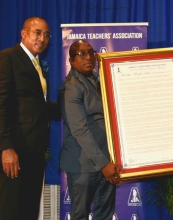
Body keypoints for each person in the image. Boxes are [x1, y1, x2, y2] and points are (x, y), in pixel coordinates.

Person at [0, 16, 53, 220]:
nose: (42, 38)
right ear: (24, 33)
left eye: (46, 35)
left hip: (35, 149)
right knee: (12, 209)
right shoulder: (8, 57)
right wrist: (5, 147)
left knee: (29, 209)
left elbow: (37, 106)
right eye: (37, 33)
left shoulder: (37, 64)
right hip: (15, 149)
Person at [58, 40, 120, 220]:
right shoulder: (70, 88)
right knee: (80, 215)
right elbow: (80, 130)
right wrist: (104, 164)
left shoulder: (97, 80)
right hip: (83, 165)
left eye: (91, 53)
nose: (88, 57)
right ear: (71, 60)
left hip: (106, 160)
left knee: (105, 214)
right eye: (82, 54)